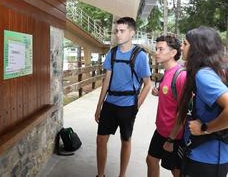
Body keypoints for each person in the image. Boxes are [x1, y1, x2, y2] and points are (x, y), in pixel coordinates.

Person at [94, 17, 152, 177]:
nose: (118, 35)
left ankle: (122, 175)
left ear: (132, 33)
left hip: (128, 106)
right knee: (100, 140)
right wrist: (99, 105)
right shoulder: (112, 53)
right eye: (116, 31)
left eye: (122, 31)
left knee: (125, 141)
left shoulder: (140, 56)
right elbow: (106, 81)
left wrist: (136, 106)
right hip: (110, 104)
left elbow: (148, 83)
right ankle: (100, 175)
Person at [177, 26, 228, 177]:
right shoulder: (215, 70)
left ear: (197, 48)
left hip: (207, 159)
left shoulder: (203, 75)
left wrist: (206, 128)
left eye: (185, 43)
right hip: (209, 156)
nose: (182, 47)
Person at [146, 35, 186, 177]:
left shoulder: (181, 76)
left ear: (173, 52)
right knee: (151, 160)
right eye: (156, 49)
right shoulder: (166, 73)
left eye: (161, 49)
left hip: (174, 135)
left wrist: (171, 139)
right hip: (161, 130)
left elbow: (183, 112)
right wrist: (159, 93)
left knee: (176, 170)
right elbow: (170, 94)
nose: (156, 52)